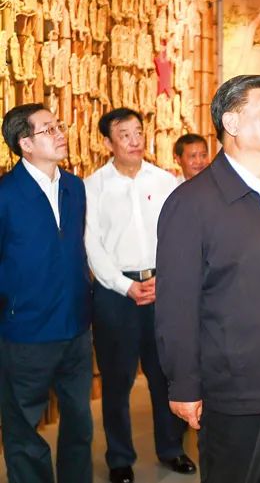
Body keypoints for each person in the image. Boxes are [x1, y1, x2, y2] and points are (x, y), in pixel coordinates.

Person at [155, 75, 260, 483]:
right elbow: (177, 305)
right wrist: (184, 384)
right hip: (236, 390)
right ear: (231, 123)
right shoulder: (191, 203)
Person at [85, 107, 194, 483]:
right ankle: (120, 458)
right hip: (115, 295)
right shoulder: (93, 187)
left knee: (166, 376)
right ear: (107, 143)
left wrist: (166, 279)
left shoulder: (165, 181)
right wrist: (125, 286)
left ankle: (171, 448)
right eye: (124, 134)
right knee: (117, 382)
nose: (134, 141)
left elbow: (180, 236)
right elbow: (92, 246)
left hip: (163, 289)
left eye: (138, 132)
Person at [0, 104, 93, 483]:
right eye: (48, 129)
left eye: (59, 125)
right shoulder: (6, 194)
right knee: (23, 429)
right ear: (25, 143)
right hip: (26, 332)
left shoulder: (75, 186)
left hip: (76, 328)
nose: (60, 134)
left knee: (80, 423)